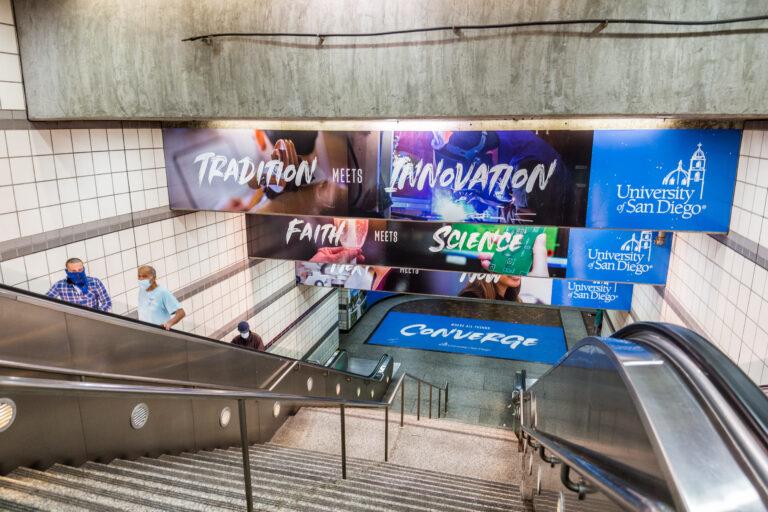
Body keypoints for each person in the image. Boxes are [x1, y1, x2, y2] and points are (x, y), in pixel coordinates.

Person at [46, 257, 112, 312]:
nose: (77, 273)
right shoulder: (60, 285)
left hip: (93, 320)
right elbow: (45, 302)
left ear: (83, 269)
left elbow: (107, 303)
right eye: (73, 271)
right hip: (71, 322)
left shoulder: (95, 282)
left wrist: (96, 315)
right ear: (67, 271)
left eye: (80, 270)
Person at [137, 265, 185, 330]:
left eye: (144, 276)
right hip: (144, 332)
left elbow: (181, 313)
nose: (141, 279)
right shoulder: (142, 291)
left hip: (159, 333)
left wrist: (168, 324)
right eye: (139, 276)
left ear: (153, 278)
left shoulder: (163, 292)